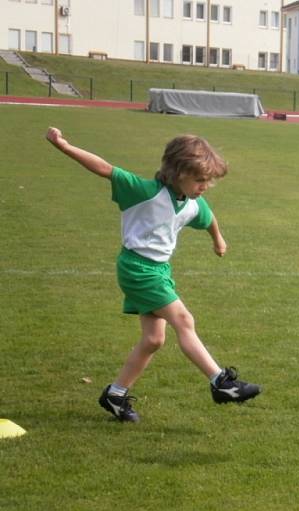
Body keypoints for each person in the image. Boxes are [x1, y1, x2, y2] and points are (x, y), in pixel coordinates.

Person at [46, 127, 261, 422]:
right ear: (176, 172)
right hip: (137, 268)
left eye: (208, 180)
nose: (205, 186)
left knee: (153, 340)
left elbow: (208, 217)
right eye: (199, 179)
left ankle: (115, 395)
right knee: (184, 320)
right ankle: (221, 383)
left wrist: (218, 239)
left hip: (159, 270)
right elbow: (105, 169)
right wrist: (64, 146)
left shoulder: (191, 202)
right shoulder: (144, 192)